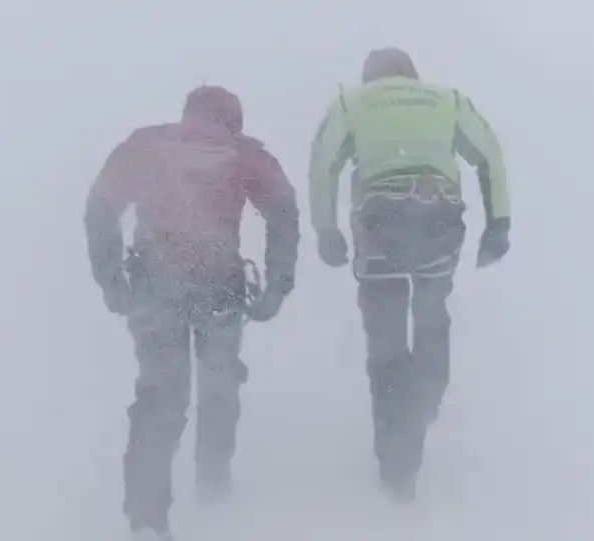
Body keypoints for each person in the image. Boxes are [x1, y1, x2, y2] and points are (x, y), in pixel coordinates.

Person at [83, 85, 299, 541]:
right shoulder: (243, 152)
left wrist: (110, 277)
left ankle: (146, 516)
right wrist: (278, 281)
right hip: (218, 285)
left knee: (161, 394)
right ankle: (214, 483)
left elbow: (101, 204)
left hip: (154, 282)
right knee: (219, 383)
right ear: (231, 118)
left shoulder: (146, 144)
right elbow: (283, 209)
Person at [307, 47, 510, 503]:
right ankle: (426, 402)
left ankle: (397, 462)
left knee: (386, 344)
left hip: (380, 223)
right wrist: (499, 224)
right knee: (433, 314)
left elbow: (323, 165)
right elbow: (489, 157)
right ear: (413, 75)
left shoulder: (351, 103)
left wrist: (327, 231)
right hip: (437, 216)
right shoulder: (448, 99)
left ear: (369, 77)